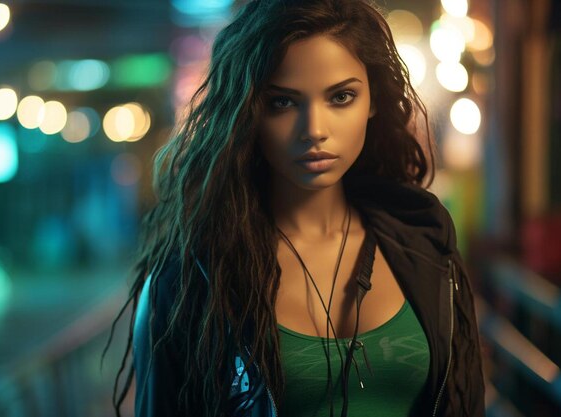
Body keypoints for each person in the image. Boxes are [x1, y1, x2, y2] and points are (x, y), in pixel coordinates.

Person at [109, 0, 486, 416]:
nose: (315, 130)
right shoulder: (189, 280)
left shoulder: (427, 247)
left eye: (341, 97)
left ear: (373, 100)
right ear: (248, 111)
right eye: (283, 102)